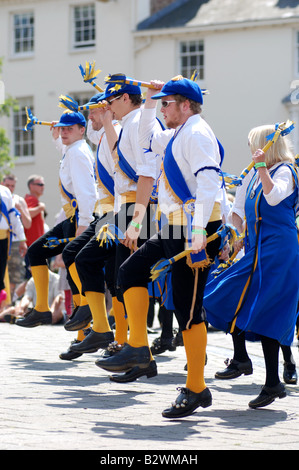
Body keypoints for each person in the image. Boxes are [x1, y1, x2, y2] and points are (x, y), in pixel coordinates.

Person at [95, 76, 223, 418]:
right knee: (130, 270)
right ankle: (138, 347)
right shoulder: (178, 132)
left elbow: (209, 180)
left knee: (188, 309)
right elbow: (146, 141)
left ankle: (196, 387)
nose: (163, 107)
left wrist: (198, 232)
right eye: (161, 103)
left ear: (185, 105)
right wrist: (150, 101)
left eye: (167, 102)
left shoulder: (196, 133)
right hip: (175, 225)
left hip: (197, 229)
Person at [204, 123, 299, 409]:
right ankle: (243, 358)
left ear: (268, 146)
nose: (250, 152)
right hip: (256, 248)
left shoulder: (285, 171)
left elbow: (273, 196)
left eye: (253, 145)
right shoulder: (254, 175)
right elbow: (237, 210)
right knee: (222, 294)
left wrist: (260, 168)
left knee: (266, 311)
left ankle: (272, 382)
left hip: (279, 249)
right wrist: (232, 235)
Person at [68, 78, 162, 362]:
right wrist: (108, 122)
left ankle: (131, 342)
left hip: (137, 207)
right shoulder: (129, 123)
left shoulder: (138, 122)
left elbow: (144, 172)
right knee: (121, 275)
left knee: (128, 275)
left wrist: (136, 220)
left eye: (109, 102)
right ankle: (129, 343)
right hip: (128, 207)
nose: (106, 107)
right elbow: (117, 159)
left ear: (123, 98)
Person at [16, 110, 98, 328]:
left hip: (79, 218)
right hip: (74, 218)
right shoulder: (75, 148)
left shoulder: (77, 152)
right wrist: (56, 137)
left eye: (69, 129)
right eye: (62, 128)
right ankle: (51, 312)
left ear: (82, 130)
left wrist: (84, 224)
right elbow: (65, 149)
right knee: (64, 266)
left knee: (55, 260)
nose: (63, 132)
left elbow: (87, 191)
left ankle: (60, 313)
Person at [58, 93, 123, 360]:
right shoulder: (102, 134)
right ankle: (99, 325)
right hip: (107, 212)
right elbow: (75, 141)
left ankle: (112, 334)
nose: (89, 117)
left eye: (92, 112)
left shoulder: (119, 132)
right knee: (78, 256)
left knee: (121, 278)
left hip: (122, 211)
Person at [2, 174, 31, 298]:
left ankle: (10, 304)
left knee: (14, 273)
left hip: (9, 240)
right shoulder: (3, 193)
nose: (10, 187)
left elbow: (24, 222)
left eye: (12, 185)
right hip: (4, 238)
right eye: (7, 185)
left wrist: (22, 240)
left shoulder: (13, 197)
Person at [1, 269, 65, 324]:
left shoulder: (56, 278)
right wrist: (21, 308)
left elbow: (58, 298)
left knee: (57, 312)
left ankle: (25, 318)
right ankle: (10, 316)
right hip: (37, 312)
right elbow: (27, 297)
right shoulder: (32, 280)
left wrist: (52, 311)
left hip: (53, 311)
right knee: (12, 309)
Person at [24, 174, 46, 280]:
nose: (43, 187)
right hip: (31, 245)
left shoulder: (34, 200)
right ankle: (15, 296)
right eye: (40, 184)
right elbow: (26, 213)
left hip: (34, 245)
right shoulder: (31, 199)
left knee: (34, 277)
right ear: (31, 186)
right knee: (33, 278)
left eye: (43, 185)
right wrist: (40, 208)